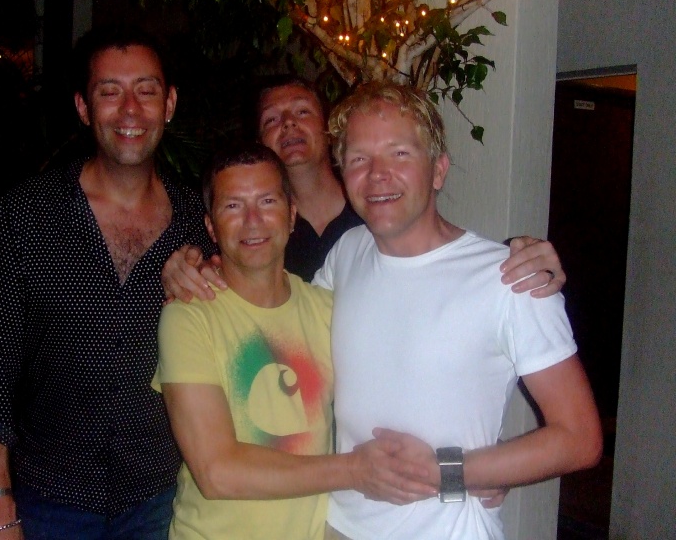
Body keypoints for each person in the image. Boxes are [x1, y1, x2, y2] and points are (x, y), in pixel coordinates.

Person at [316, 81, 602, 540]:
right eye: (358, 159)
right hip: (339, 525)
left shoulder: (511, 279)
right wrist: (204, 271)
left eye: (400, 154)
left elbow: (580, 438)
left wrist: (452, 471)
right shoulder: (347, 252)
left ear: (438, 170)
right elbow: (277, 318)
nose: (377, 174)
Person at [0, 25, 215, 540]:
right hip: (49, 499)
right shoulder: (28, 214)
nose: (129, 110)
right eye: (109, 91)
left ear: (169, 104)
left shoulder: (199, 223)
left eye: (146, 91)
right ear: (83, 107)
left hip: (161, 500)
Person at [153, 143, 440, 540]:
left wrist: (469, 468)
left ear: (291, 215)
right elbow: (217, 472)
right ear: (211, 226)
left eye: (267, 201)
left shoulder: (328, 310)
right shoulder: (188, 316)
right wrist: (354, 470)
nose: (253, 221)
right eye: (233, 206)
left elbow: (414, 374)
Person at [161, 75, 566, 300]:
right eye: (272, 119)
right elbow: (210, 273)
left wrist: (518, 261)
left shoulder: (377, 208)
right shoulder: (252, 231)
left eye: (302, 112)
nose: (288, 124)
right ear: (258, 141)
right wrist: (187, 272)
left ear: (329, 130)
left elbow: (440, 258)